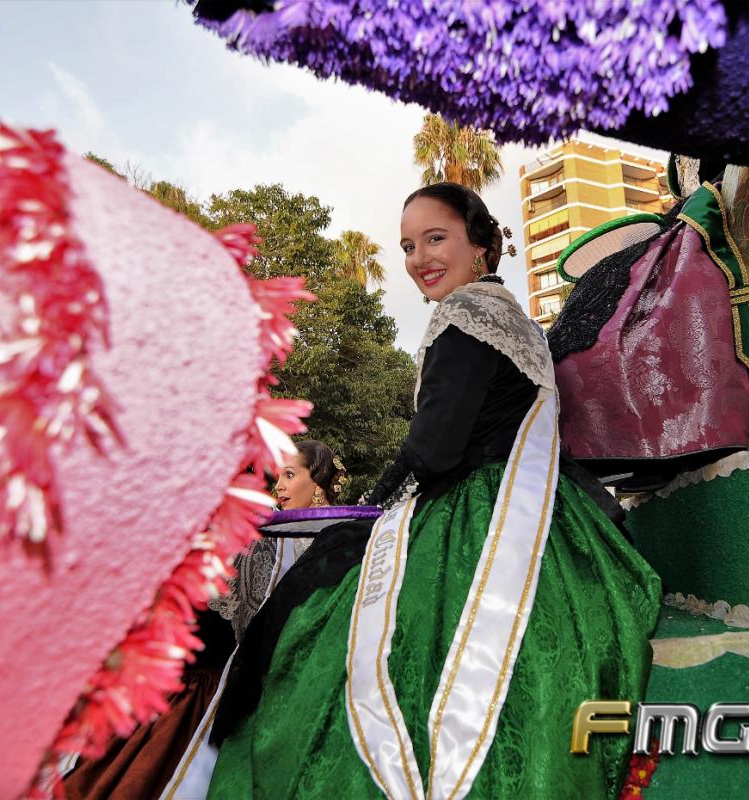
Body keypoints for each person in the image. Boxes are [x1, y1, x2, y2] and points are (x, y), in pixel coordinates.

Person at [207, 183, 661, 799]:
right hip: (552, 511)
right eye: (407, 246)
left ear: (480, 245)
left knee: (325, 635)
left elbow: (437, 447)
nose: (419, 257)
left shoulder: (465, 316)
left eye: (435, 238)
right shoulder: (514, 318)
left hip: (478, 510)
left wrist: (374, 507)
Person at [64, 442, 348, 800]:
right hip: (190, 696)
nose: (280, 486)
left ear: (319, 486)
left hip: (242, 697)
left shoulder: (323, 549)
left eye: (290, 475)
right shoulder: (243, 540)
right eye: (279, 476)